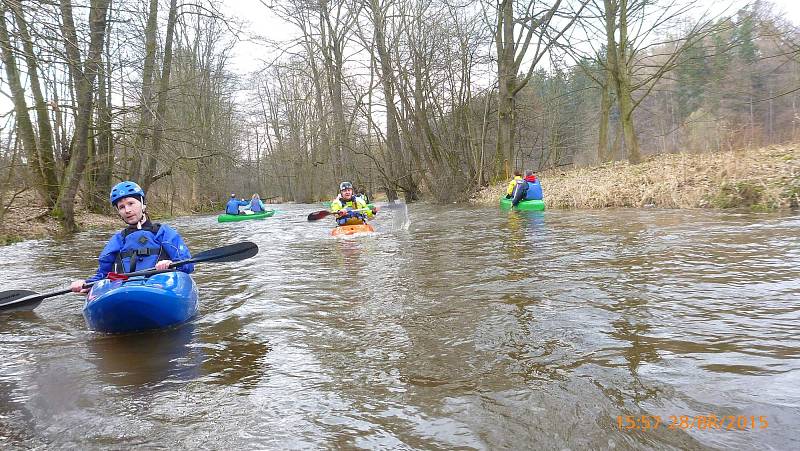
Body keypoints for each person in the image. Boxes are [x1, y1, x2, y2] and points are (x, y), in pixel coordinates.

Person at [70, 181, 194, 293]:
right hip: (125, 289)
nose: (127, 210)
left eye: (131, 203)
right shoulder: (119, 239)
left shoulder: (163, 232)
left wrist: (172, 264)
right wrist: (85, 284)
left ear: (143, 204)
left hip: (161, 287)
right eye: (121, 207)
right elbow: (103, 274)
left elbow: (188, 265)